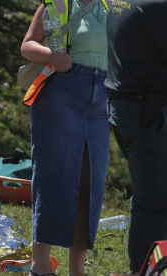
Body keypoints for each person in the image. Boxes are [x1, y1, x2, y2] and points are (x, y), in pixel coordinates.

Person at [21, 0, 111, 275]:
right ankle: (41, 265)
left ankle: (77, 270)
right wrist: (51, 54)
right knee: (53, 174)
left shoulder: (112, 6)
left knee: (90, 181)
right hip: (60, 92)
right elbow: (27, 46)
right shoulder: (57, 3)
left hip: (102, 96)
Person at [105, 0, 167, 273]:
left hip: (127, 109)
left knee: (148, 193)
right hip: (145, 113)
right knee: (153, 202)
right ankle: (143, 270)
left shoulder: (123, 1)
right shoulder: (156, 6)